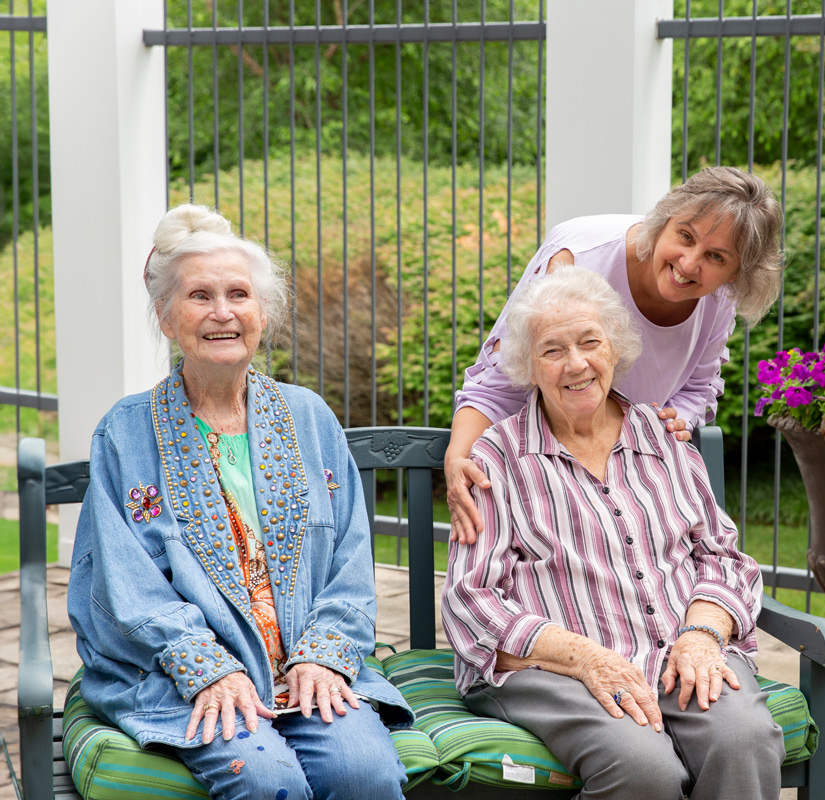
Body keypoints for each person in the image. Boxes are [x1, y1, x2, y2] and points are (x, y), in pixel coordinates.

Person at [67, 204, 411, 800]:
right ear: (167, 318)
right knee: (264, 779)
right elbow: (124, 585)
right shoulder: (125, 433)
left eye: (239, 295)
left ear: (263, 313)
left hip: (308, 666)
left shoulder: (309, 418)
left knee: (365, 773)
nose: (223, 312)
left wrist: (324, 656)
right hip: (183, 677)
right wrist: (209, 670)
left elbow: (352, 560)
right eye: (200, 296)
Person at [442, 266, 783, 800]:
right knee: (643, 767)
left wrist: (702, 634)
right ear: (528, 366)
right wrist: (585, 658)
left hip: (681, 650)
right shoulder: (496, 458)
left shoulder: (665, 439)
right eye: (552, 350)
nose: (576, 364)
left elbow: (722, 556)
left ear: (615, 349)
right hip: (555, 671)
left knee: (744, 739)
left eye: (590, 342)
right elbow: (471, 597)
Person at [447, 166, 784, 543]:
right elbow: (499, 384)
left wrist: (675, 423)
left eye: (717, 257)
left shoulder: (720, 299)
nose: (689, 264)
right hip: (546, 476)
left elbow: (697, 389)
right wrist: (458, 457)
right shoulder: (577, 256)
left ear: (738, 274)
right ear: (664, 220)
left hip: (633, 480)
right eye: (685, 236)